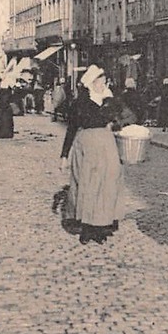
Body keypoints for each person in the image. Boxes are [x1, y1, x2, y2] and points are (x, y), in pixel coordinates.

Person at [61, 65, 123, 245]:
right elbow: (71, 129)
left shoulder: (109, 100)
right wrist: (64, 155)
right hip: (87, 145)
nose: (102, 85)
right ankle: (87, 227)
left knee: (107, 183)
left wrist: (111, 105)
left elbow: (122, 120)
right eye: (99, 82)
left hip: (107, 144)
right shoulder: (80, 103)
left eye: (104, 82)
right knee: (89, 184)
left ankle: (101, 225)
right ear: (90, 83)